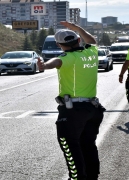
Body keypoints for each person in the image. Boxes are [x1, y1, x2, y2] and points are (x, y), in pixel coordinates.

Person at [37, 21, 105, 180]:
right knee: (87, 145)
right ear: (78, 40)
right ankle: (92, 176)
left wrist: (44, 66)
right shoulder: (91, 52)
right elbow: (92, 41)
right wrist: (77, 28)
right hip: (93, 108)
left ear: (59, 44)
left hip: (73, 110)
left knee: (69, 144)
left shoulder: (67, 57)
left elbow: (55, 62)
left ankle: (77, 177)